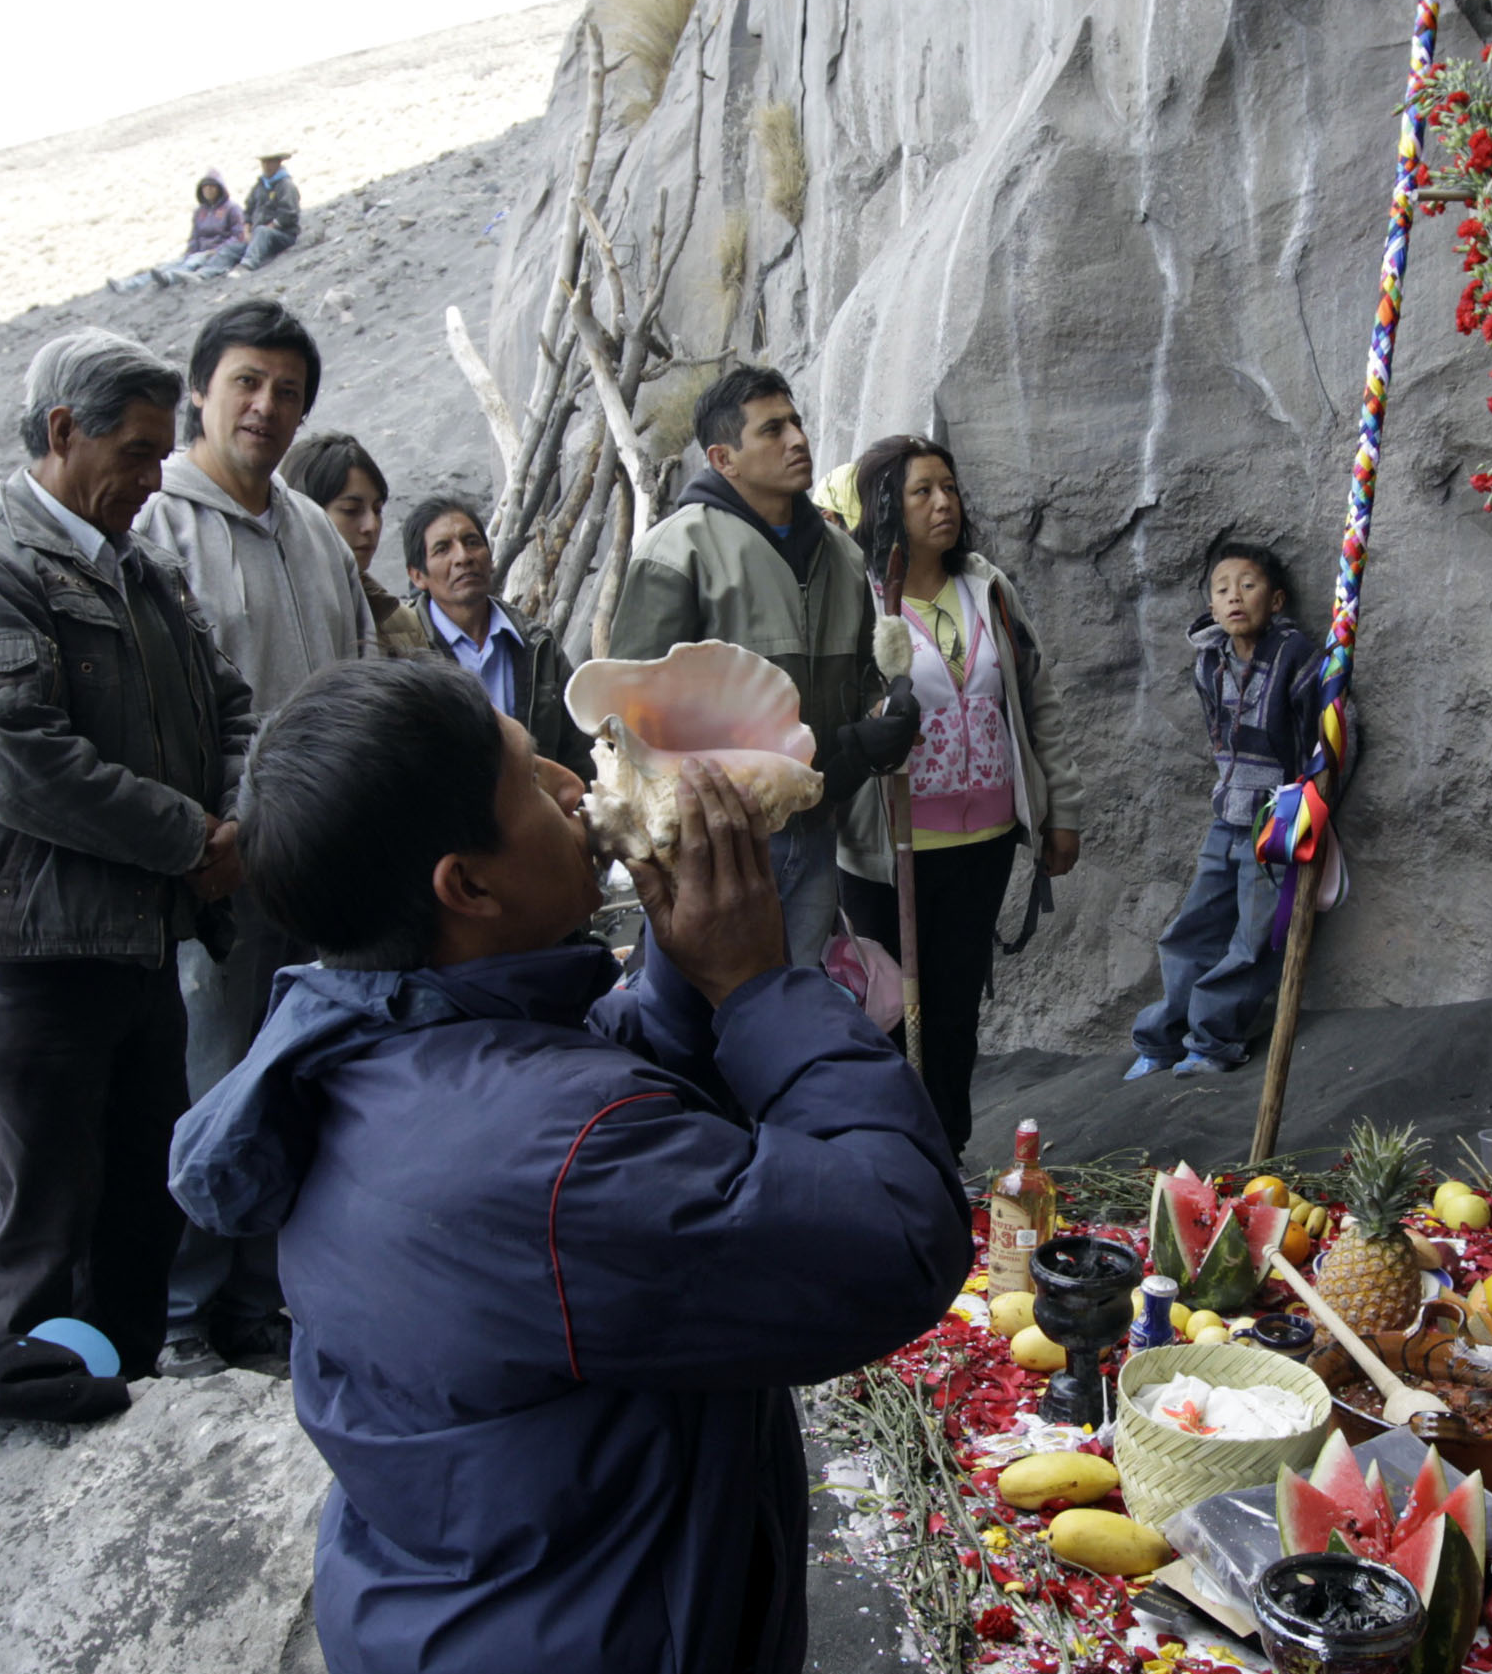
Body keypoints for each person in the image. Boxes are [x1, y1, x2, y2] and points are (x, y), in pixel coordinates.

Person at [167, 656, 967, 1674]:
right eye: (526, 781)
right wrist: (761, 990)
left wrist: (684, 978)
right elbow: (898, 1236)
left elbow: (600, 1091)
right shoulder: (550, 1161)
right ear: (469, 887)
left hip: (480, 1653)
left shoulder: (367, 1038)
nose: (564, 777)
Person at [0, 330, 257, 1379]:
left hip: (139, 941)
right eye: (139, 454)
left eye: (163, 456)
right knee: (44, 1224)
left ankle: (122, 1414)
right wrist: (190, 836)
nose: (154, 481)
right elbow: (23, 761)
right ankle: (19, 1437)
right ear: (64, 431)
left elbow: (230, 707)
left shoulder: (139, 571)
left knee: (136, 1218)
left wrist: (236, 817)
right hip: (35, 955)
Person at [133, 297, 370, 1373]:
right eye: (246, 382)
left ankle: (264, 1301)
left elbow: (359, 675)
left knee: (303, 1071)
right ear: (200, 388)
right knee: (214, 1074)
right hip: (218, 859)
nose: (266, 406)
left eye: (286, 389)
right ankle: (186, 1313)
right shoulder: (155, 525)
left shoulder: (311, 529)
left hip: (321, 857)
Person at [608, 365, 914, 966]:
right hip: (718, 848)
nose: (798, 439)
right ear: (724, 458)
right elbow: (632, 727)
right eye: (772, 430)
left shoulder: (843, 555)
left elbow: (859, 687)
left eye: (796, 422)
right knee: (712, 1018)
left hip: (817, 829)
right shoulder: (679, 552)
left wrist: (883, 719)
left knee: (794, 1006)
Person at [836, 436, 1083, 1156]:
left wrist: (1058, 811)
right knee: (884, 1011)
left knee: (952, 1013)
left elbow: (1038, 704)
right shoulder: (860, 602)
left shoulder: (987, 589)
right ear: (887, 505)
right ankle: (886, 1157)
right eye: (922, 492)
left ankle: (946, 1155)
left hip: (982, 845)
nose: (944, 503)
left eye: (950, 488)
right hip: (885, 853)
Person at [1126, 539, 1329, 1080]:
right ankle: (1162, 1038)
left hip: (1279, 819)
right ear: (1211, 607)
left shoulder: (1297, 658)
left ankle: (1213, 1040)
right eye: (1222, 589)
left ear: (1277, 599)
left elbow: (1326, 740)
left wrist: (1307, 805)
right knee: (1192, 928)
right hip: (1227, 813)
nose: (1234, 597)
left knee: (1255, 935)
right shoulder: (1209, 662)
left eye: (1248, 585)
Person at [396, 494, 588, 776]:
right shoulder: (404, 654)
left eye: (472, 542)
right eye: (442, 549)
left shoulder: (538, 648)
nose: (463, 557)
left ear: (490, 558)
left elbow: (579, 751)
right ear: (417, 577)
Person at [281, 432, 431, 658]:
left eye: (377, 510)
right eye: (351, 510)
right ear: (305, 512)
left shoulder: (402, 623)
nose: (371, 526)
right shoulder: (275, 619)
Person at [109, 170, 248, 293]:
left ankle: (170, 278)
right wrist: (190, 251)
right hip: (197, 252)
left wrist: (217, 250)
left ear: (220, 189)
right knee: (169, 264)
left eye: (212, 187)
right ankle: (128, 285)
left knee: (191, 264)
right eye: (205, 187)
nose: (208, 190)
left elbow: (239, 236)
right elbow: (194, 236)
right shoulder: (200, 212)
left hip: (216, 253)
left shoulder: (232, 209)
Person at [239, 152, 302, 272]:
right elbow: (248, 210)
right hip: (258, 234)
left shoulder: (286, 185)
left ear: (278, 163)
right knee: (231, 248)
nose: (267, 166)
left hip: (283, 235)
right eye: (264, 162)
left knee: (262, 232)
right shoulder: (259, 186)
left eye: (270, 162)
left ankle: (247, 265)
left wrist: (271, 226)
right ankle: (206, 272)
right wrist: (247, 230)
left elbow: (290, 213)